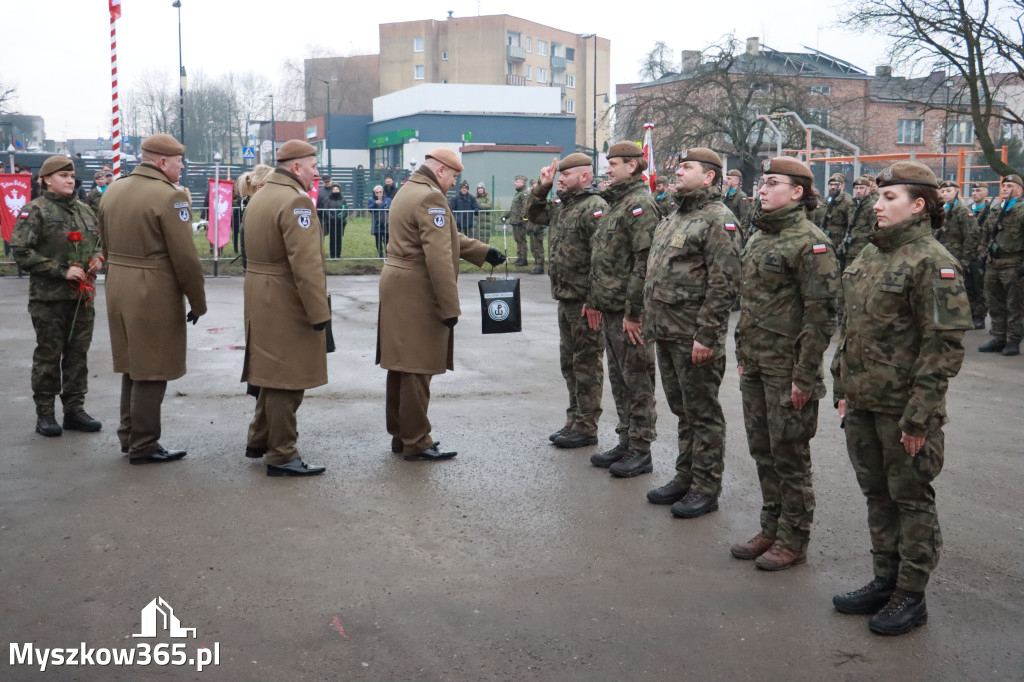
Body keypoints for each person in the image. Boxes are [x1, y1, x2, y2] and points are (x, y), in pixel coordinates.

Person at [831, 161, 971, 636]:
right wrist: (842, 388)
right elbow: (849, 328)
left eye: (889, 198)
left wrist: (919, 416)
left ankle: (911, 594)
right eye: (878, 196)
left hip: (904, 408)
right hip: (864, 399)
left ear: (918, 205)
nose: (877, 203)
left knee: (910, 498)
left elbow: (943, 348)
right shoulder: (872, 254)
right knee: (876, 494)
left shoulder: (934, 261)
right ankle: (884, 579)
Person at [731, 156, 840, 570]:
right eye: (762, 181)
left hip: (789, 369)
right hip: (757, 363)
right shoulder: (759, 236)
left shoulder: (810, 242)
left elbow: (821, 315)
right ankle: (770, 527)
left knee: (790, 455)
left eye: (773, 182)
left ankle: (794, 539)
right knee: (763, 451)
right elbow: (751, 304)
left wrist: (805, 374)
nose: (763, 188)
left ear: (797, 192)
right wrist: (744, 355)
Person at [376, 148, 506, 461]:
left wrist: (482, 251)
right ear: (442, 170)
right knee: (418, 368)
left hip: (398, 283)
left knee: (401, 365)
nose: (453, 182)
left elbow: (445, 236)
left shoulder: (409, 190)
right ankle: (417, 441)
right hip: (417, 289)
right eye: (454, 176)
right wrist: (450, 307)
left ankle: (401, 434)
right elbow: (437, 257)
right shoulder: (431, 198)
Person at [643, 148, 742, 516]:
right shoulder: (675, 215)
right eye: (679, 166)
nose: (678, 172)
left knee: (703, 414)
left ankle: (706, 485)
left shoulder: (718, 219)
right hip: (667, 331)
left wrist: (708, 335)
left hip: (693, 335)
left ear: (710, 177)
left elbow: (724, 284)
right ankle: (685, 476)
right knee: (683, 410)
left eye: (687, 167)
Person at [98, 133, 206, 464]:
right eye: (178, 161)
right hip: (152, 289)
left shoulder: (113, 189)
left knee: (133, 365)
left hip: (118, 284)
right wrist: (197, 301)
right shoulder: (170, 197)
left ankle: (129, 435)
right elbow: (185, 257)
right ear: (161, 162)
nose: (182, 166)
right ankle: (144, 444)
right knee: (153, 368)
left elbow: (103, 242)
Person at [239, 140, 330, 477]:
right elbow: (306, 266)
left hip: (260, 293)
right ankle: (283, 453)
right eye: (312, 166)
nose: (316, 172)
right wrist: (319, 313)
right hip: (285, 298)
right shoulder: (296, 202)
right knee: (287, 379)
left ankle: (260, 439)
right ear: (295, 168)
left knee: (270, 372)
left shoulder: (261, 195)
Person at [11, 155, 104, 437]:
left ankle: (74, 410)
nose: (70, 181)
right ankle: (46, 414)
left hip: (81, 299)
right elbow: (21, 252)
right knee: (49, 356)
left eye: (72, 176)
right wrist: (60, 271)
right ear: (47, 180)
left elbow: (99, 242)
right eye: (63, 176)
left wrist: (99, 258)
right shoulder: (35, 211)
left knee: (78, 356)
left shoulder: (85, 210)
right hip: (49, 298)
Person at [587, 142, 660, 478]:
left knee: (638, 379)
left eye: (614, 163)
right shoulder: (618, 204)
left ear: (632, 166)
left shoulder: (640, 205)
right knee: (619, 378)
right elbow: (602, 259)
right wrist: (595, 300)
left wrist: (635, 312)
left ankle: (641, 448)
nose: (608, 168)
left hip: (629, 313)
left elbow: (644, 263)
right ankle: (626, 439)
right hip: (611, 308)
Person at [526, 153, 608, 449]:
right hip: (565, 298)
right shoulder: (563, 205)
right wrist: (542, 186)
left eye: (565, 175)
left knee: (586, 364)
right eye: (559, 175)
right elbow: (532, 215)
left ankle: (587, 426)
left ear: (584, 177)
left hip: (585, 301)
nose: (560, 178)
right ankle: (574, 418)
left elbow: (602, 258)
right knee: (569, 363)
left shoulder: (595, 207)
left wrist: (594, 299)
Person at [978, 174, 1024, 356]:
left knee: (1014, 304)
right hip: (993, 263)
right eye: (1004, 186)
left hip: (1014, 264)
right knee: (994, 302)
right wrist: (982, 254)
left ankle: (1013, 340)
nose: (1005, 188)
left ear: (1020, 190)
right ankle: (999, 337)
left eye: (1010, 185)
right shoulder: (996, 209)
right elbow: (986, 234)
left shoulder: (1022, 210)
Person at [935, 181, 980, 277]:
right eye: (942, 191)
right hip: (940, 253)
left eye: (948, 191)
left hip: (956, 255)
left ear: (956, 192)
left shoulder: (963, 211)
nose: (945, 193)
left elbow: (970, 236)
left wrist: (965, 260)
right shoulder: (939, 210)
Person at [967, 183, 996, 328]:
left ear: (986, 192)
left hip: (980, 254)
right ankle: (971, 313)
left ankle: (980, 316)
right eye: (972, 190)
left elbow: (991, 234)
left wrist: (984, 253)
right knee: (968, 286)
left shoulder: (991, 211)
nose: (974, 193)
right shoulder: (966, 210)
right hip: (967, 253)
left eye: (978, 190)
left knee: (980, 287)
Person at [843, 175, 878, 268]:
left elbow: (876, 231)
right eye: (856, 188)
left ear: (869, 189)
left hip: (863, 252)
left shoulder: (872, 206)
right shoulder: (852, 205)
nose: (858, 191)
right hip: (849, 251)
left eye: (862, 188)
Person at [821, 173, 854, 251]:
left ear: (842, 186)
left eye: (836, 185)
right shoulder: (827, 199)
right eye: (831, 184)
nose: (833, 187)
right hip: (825, 237)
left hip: (838, 241)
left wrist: (843, 244)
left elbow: (850, 225)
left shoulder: (847, 202)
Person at [505, 174, 530, 266]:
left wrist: (523, 219)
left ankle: (524, 259)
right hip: (515, 221)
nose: (515, 183)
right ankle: (520, 258)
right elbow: (514, 209)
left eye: (517, 182)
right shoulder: (518, 193)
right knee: (518, 240)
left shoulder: (525, 193)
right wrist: (506, 216)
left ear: (523, 183)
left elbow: (525, 208)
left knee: (522, 240)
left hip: (520, 222)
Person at [322, 183, 347, 259]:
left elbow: (345, 209)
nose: (335, 190)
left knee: (339, 238)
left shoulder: (343, 199)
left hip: (340, 222)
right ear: (332, 190)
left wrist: (341, 216)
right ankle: (332, 255)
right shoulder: (328, 199)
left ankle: (338, 255)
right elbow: (326, 210)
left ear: (339, 190)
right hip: (331, 222)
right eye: (334, 189)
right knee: (332, 238)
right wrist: (331, 216)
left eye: (337, 189)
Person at [367, 184, 392, 257]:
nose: (379, 193)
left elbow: (391, 206)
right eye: (377, 192)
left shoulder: (388, 199)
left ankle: (387, 254)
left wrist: (387, 207)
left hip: (386, 222)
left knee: (387, 239)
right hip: (376, 223)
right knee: (378, 239)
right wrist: (375, 203)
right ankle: (380, 254)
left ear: (383, 192)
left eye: (380, 192)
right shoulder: (371, 200)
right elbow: (369, 209)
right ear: (374, 193)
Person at [722, 169, 748, 237]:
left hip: (734, 234)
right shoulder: (724, 194)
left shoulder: (741, 196)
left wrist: (741, 235)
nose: (726, 181)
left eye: (729, 179)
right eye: (726, 178)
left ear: (737, 181)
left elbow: (744, 219)